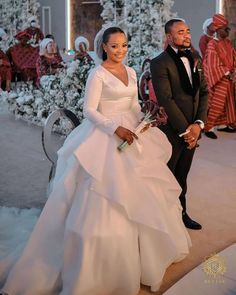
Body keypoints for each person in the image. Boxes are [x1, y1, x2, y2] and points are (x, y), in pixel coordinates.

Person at [0, 27, 191, 295]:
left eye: (124, 45)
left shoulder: (132, 71)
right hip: (104, 133)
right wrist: (116, 129)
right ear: (104, 47)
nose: (120, 51)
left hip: (132, 133)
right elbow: (89, 110)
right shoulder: (97, 73)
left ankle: (142, 255)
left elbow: (134, 104)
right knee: (101, 193)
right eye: (114, 46)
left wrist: (142, 121)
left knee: (144, 191)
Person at [150, 19, 208, 230]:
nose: (186, 35)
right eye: (181, 32)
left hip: (193, 128)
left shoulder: (195, 58)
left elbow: (204, 92)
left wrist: (198, 125)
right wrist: (187, 130)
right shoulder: (159, 62)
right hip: (173, 131)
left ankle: (181, 214)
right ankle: (163, 219)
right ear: (169, 37)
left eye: (188, 31)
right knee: (168, 176)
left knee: (183, 175)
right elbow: (166, 99)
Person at [203, 14, 236, 139]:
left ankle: (222, 125)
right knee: (216, 104)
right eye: (225, 28)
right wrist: (226, 72)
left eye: (228, 28)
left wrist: (233, 71)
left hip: (228, 77)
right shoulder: (212, 44)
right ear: (217, 29)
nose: (228, 30)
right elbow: (212, 64)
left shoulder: (227, 43)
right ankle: (208, 127)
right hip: (219, 78)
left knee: (228, 103)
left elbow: (234, 57)